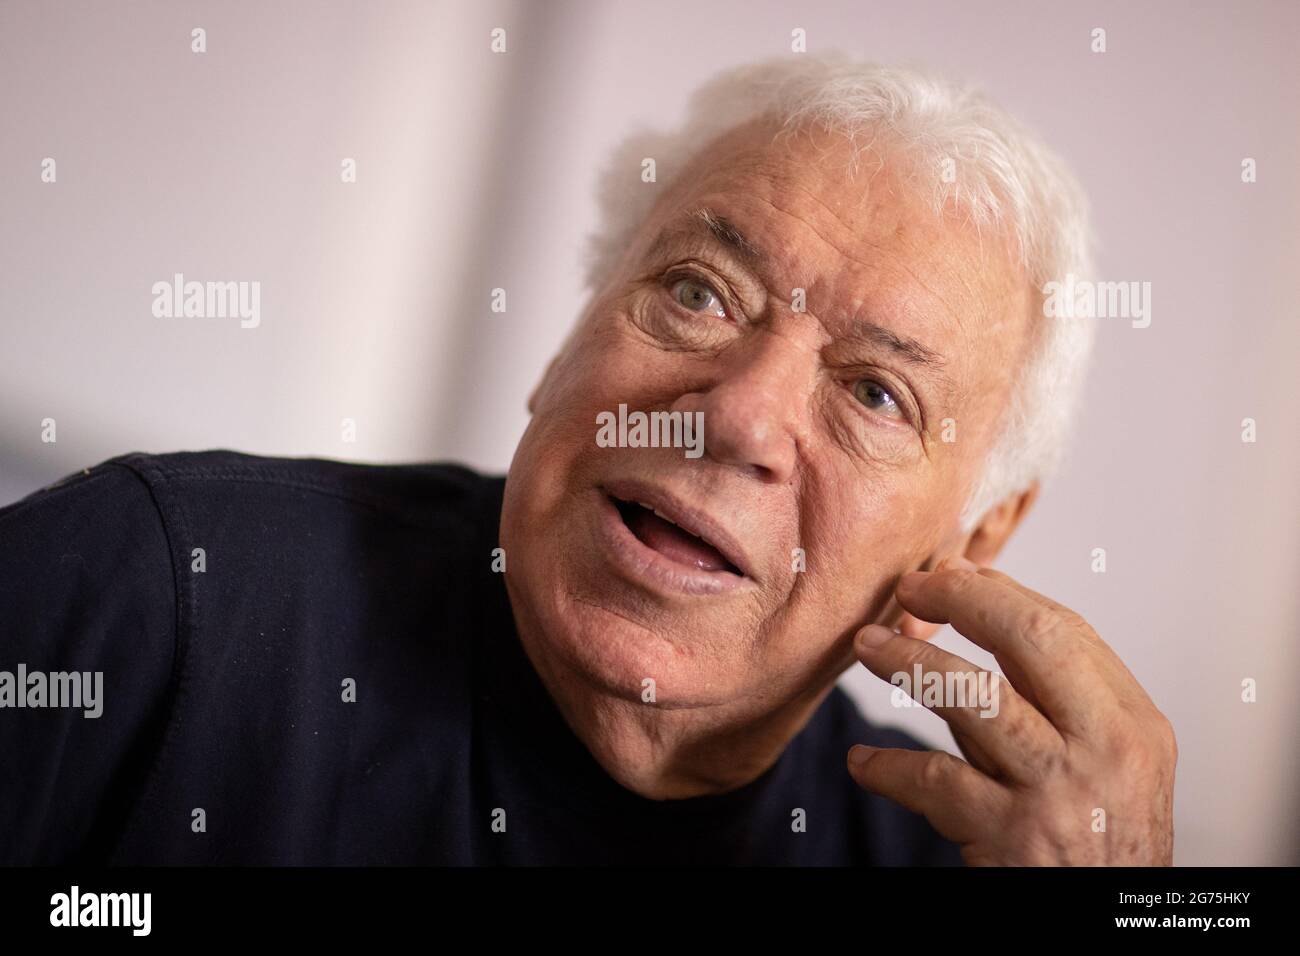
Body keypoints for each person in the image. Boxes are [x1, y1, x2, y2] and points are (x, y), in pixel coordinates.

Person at [0, 55, 1175, 865]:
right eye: (698, 292)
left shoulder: (972, 857)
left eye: (875, 391)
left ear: (971, 541)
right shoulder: (149, 594)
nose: (739, 421)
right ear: (569, 337)